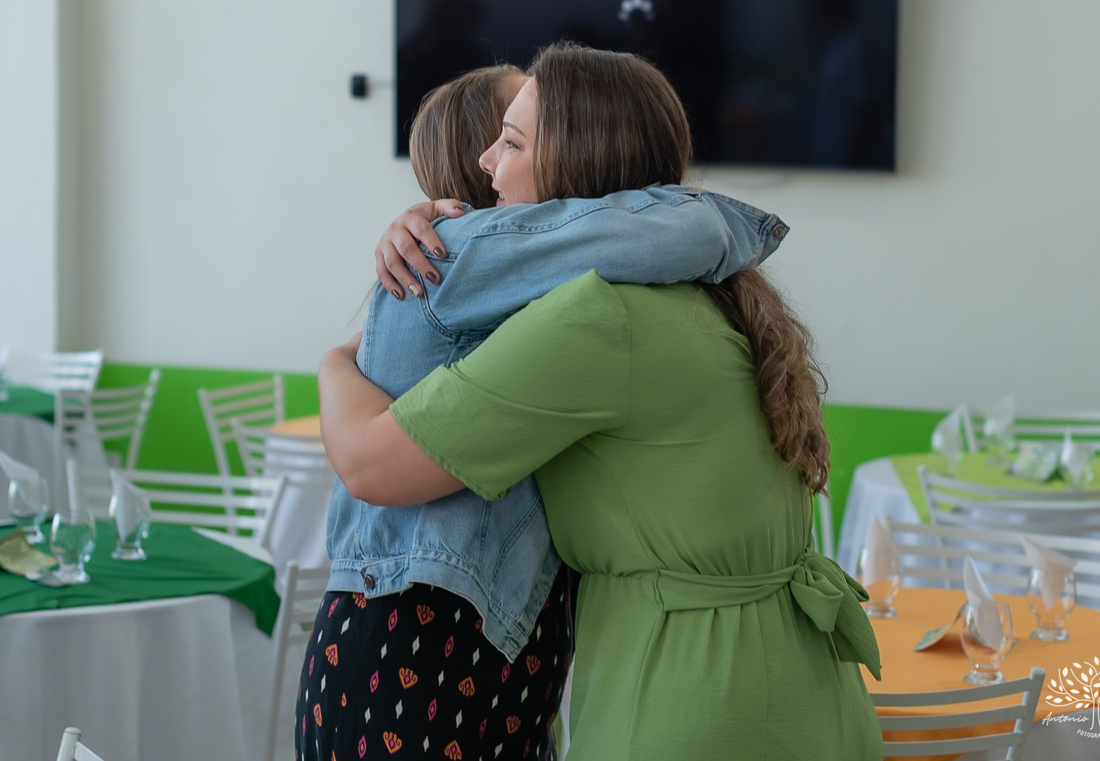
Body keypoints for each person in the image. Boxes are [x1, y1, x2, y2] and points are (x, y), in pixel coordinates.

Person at [318, 42, 884, 760]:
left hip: (691, 704)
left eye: (513, 143)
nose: (487, 163)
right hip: (809, 694)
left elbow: (373, 466)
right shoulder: (711, 290)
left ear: (573, 167)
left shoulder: (598, 320)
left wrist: (336, 362)